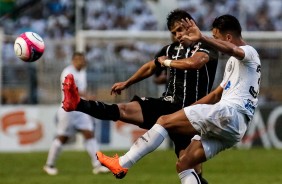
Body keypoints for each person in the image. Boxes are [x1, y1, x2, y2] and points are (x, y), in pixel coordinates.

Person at [96, 14, 261, 183]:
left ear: (228, 37)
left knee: (163, 121)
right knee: (184, 164)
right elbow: (216, 95)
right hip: (235, 127)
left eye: (216, 38)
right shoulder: (235, 64)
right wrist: (185, 112)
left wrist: (202, 38)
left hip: (229, 113)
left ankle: (123, 163)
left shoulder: (249, 52)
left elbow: (232, 49)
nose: (215, 42)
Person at [62, 9, 218, 183]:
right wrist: (127, 82)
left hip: (192, 113)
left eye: (180, 29)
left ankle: (122, 162)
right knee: (125, 109)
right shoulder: (171, 49)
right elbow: (151, 67)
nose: (178, 35)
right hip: (169, 104)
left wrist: (165, 62)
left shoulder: (207, 46)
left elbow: (194, 63)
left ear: (191, 24)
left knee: (189, 168)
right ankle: (77, 103)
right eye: (174, 32)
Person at [43, 52, 109, 175]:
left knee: (89, 134)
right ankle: (49, 165)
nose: (81, 62)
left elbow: (80, 90)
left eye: (82, 59)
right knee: (62, 137)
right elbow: (71, 92)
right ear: (73, 61)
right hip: (68, 110)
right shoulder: (68, 72)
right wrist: (88, 96)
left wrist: (86, 97)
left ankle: (97, 165)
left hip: (80, 110)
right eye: (78, 59)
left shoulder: (82, 72)